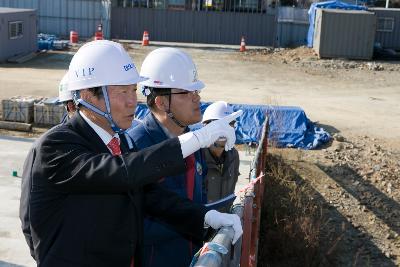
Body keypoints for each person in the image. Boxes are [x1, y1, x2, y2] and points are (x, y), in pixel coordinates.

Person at [19, 40, 243, 267]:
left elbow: (151, 196)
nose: (132, 102)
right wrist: (198, 139)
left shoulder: (116, 143)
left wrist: (204, 217)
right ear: (87, 95)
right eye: (122, 92)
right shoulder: (55, 145)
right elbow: (121, 172)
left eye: (133, 90)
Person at [127, 47, 208, 267]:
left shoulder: (195, 141)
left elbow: (200, 194)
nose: (197, 98)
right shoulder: (136, 146)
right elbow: (133, 225)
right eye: (186, 93)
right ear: (162, 102)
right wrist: (198, 220)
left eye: (196, 91)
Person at [202, 101, 240, 212]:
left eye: (230, 124)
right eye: (219, 124)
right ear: (205, 126)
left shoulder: (233, 156)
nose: (225, 130)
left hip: (223, 223)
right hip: (198, 224)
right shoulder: (195, 157)